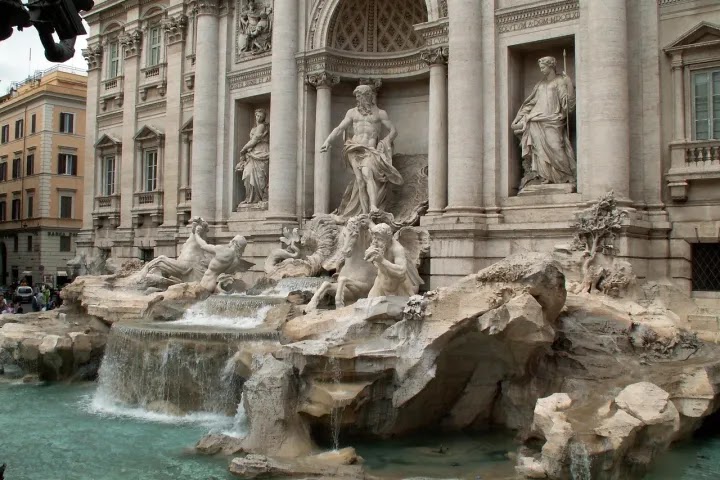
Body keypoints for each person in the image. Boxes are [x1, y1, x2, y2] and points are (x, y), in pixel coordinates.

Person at [321, 84, 403, 217]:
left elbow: (393, 131)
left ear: (369, 96)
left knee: (367, 173)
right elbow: (340, 128)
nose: (359, 99)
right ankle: (364, 214)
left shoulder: (380, 113)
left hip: (370, 150)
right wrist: (328, 141)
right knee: (359, 181)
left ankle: (373, 206)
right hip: (354, 148)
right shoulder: (352, 112)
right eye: (357, 97)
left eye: (361, 96)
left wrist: (386, 141)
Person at [511, 56, 576, 187]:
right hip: (536, 120)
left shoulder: (560, 81)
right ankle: (546, 175)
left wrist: (569, 84)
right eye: (540, 67)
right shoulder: (540, 84)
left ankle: (567, 175)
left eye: (543, 67)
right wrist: (517, 119)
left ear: (551, 66)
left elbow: (567, 103)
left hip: (553, 119)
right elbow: (530, 104)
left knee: (556, 146)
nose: (541, 70)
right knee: (539, 151)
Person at [236, 108, 270, 205]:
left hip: (261, 151)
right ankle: (250, 198)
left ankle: (259, 198)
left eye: (261, 116)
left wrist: (244, 149)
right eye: (257, 115)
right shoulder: (254, 128)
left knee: (260, 176)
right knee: (247, 174)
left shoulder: (262, 127)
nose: (258, 118)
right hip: (253, 153)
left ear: (264, 118)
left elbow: (255, 140)